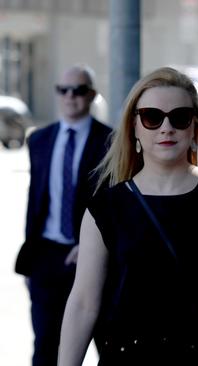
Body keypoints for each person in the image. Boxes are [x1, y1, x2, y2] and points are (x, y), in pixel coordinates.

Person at [58, 67, 198, 365]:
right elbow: (83, 304)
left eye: (179, 117)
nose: (166, 128)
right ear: (135, 127)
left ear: (194, 127)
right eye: (152, 117)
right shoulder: (105, 209)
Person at [13, 64, 111, 366]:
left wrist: (91, 245)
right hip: (46, 256)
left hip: (93, 257)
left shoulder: (110, 141)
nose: (70, 97)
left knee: (106, 344)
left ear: (91, 95)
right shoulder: (40, 139)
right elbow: (36, 199)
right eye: (63, 90)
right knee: (46, 346)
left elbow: (114, 204)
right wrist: (32, 259)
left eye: (79, 90)